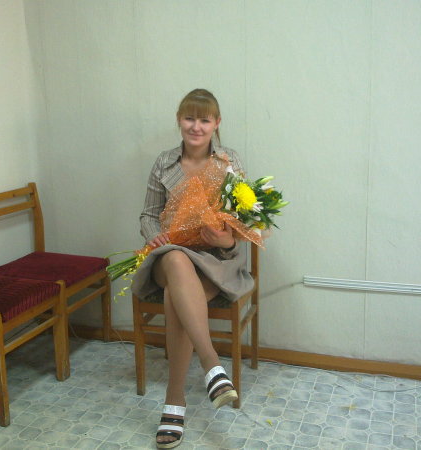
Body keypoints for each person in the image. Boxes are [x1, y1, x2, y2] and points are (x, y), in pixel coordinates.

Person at [131, 89, 254, 448]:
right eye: (189, 118)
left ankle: (174, 402)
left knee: (177, 297)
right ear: (179, 120)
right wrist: (154, 236)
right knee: (175, 259)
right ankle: (212, 365)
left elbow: (244, 221)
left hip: (214, 262)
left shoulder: (228, 161)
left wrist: (225, 240)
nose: (196, 126)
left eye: (204, 119)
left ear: (216, 123)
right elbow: (148, 214)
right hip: (169, 255)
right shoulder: (164, 163)